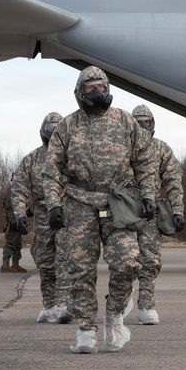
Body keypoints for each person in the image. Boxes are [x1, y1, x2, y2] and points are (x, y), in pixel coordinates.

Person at [42, 66, 157, 354]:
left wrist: (149, 196)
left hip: (118, 202)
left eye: (102, 87)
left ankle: (115, 315)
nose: (97, 93)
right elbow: (52, 169)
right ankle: (85, 330)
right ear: (80, 92)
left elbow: (144, 161)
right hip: (80, 202)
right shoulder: (68, 126)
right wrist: (55, 204)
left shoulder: (124, 121)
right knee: (80, 270)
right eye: (91, 88)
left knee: (129, 262)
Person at [11, 111, 73, 323]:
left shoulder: (72, 155)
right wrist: (20, 214)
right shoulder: (32, 159)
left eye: (57, 129)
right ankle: (49, 304)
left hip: (68, 213)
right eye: (49, 129)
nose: (52, 133)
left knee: (64, 260)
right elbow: (19, 188)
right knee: (45, 263)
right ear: (42, 131)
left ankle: (65, 304)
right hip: (42, 215)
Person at [130, 104, 186, 325]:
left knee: (150, 261)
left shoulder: (162, 149)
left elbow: (173, 182)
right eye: (138, 122)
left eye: (147, 122)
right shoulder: (121, 148)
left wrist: (178, 210)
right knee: (124, 260)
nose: (143, 127)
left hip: (151, 213)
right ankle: (122, 298)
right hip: (124, 211)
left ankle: (145, 306)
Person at [0, 180, 27, 273]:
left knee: (18, 245)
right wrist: (13, 222)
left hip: (19, 222)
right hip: (12, 223)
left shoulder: (19, 193)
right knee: (10, 244)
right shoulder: (10, 194)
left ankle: (15, 264)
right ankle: (5, 264)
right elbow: (8, 209)